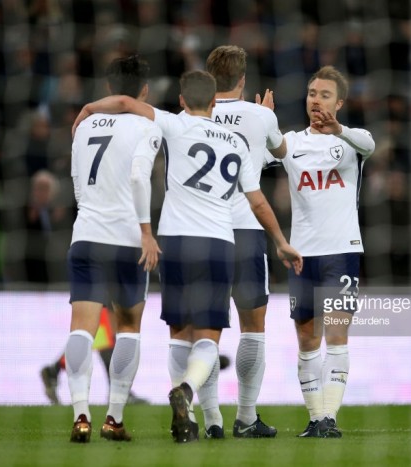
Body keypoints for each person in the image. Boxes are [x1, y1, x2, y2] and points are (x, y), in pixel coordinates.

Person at [72, 69, 303, 443]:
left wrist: (89, 108)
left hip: (174, 241)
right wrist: (280, 240)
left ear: (181, 100)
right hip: (216, 242)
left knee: (179, 334)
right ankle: (187, 392)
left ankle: (189, 419)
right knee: (209, 337)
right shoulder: (237, 142)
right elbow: (256, 199)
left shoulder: (173, 124)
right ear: (214, 102)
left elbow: (127, 103)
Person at [185, 44, 287, 439]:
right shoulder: (261, 115)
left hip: (203, 230)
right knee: (253, 328)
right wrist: (267, 118)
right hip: (246, 231)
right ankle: (246, 417)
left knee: (206, 329)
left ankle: (211, 419)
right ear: (243, 80)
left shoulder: (190, 117)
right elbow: (282, 151)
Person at [269, 66, 375, 438]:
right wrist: (264, 122)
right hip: (301, 255)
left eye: (325, 94)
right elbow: (265, 151)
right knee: (306, 339)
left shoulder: (352, 141)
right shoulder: (292, 142)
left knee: (337, 335)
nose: (316, 100)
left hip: (341, 251)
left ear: (339, 102)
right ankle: (315, 419)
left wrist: (339, 130)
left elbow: (370, 144)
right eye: (312, 93)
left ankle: (330, 416)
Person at [64, 55, 162, 444]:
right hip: (127, 239)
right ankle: (114, 419)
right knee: (128, 328)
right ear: (145, 91)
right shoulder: (148, 123)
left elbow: (76, 181)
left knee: (82, 329)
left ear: (107, 87)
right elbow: (140, 176)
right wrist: (146, 231)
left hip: (86, 234)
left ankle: (80, 416)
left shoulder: (83, 124)